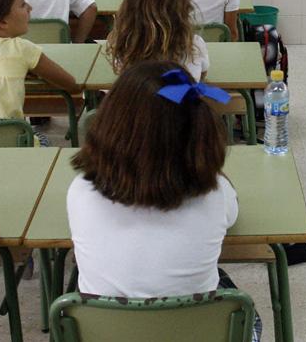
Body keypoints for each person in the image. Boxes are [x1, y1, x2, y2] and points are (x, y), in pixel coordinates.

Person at [68, 61, 261, 341]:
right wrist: (208, 167)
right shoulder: (215, 193)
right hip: (196, 333)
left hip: (105, 332)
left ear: (108, 124)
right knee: (241, 310)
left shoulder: (80, 191)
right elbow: (231, 216)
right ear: (199, 129)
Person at [106, 0, 209, 81]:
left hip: (137, 98)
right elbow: (202, 76)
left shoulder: (124, 45)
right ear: (182, 10)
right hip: (181, 98)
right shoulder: (194, 45)